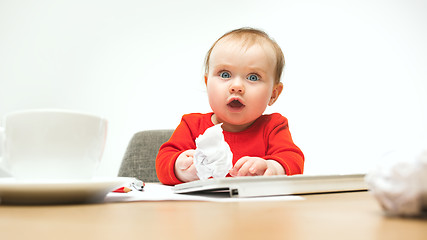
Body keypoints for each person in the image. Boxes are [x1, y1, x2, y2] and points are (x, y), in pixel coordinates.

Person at [156, 27, 304, 185]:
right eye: (225, 74)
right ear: (207, 84)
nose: (237, 86)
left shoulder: (273, 127)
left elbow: (293, 160)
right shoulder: (192, 125)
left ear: (273, 94)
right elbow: (163, 161)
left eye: (253, 77)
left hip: (257, 208)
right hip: (203, 208)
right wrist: (181, 169)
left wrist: (272, 168)